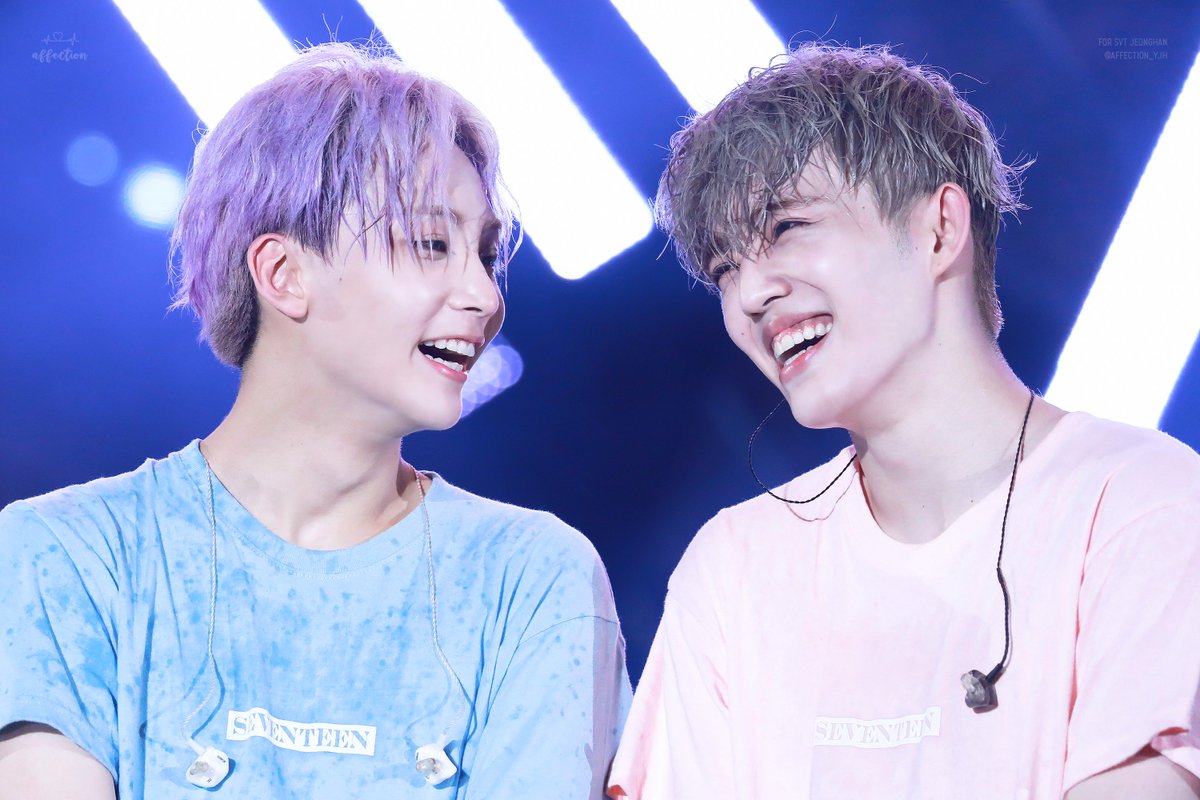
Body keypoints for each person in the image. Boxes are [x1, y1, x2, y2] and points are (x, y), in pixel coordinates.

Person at [0, 43, 629, 799]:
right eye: (433, 243)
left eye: (486, 255)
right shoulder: (63, 556)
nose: (485, 296)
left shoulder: (532, 578)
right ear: (283, 273)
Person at [608, 43, 1200, 799]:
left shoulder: (1139, 504)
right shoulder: (732, 567)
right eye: (726, 268)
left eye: (787, 227)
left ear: (939, 228)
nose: (750, 294)